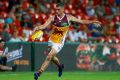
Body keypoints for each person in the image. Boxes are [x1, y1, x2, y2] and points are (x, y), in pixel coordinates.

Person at [34, 2, 101, 80]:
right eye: (56, 10)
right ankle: (60, 66)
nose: (56, 11)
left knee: (49, 56)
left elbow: (82, 21)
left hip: (59, 42)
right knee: (52, 57)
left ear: (63, 9)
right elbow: (44, 26)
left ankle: (39, 73)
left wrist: (92, 21)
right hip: (51, 40)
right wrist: (38, 27)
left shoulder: (69, 17)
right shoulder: (52, 18)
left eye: (58, 10)